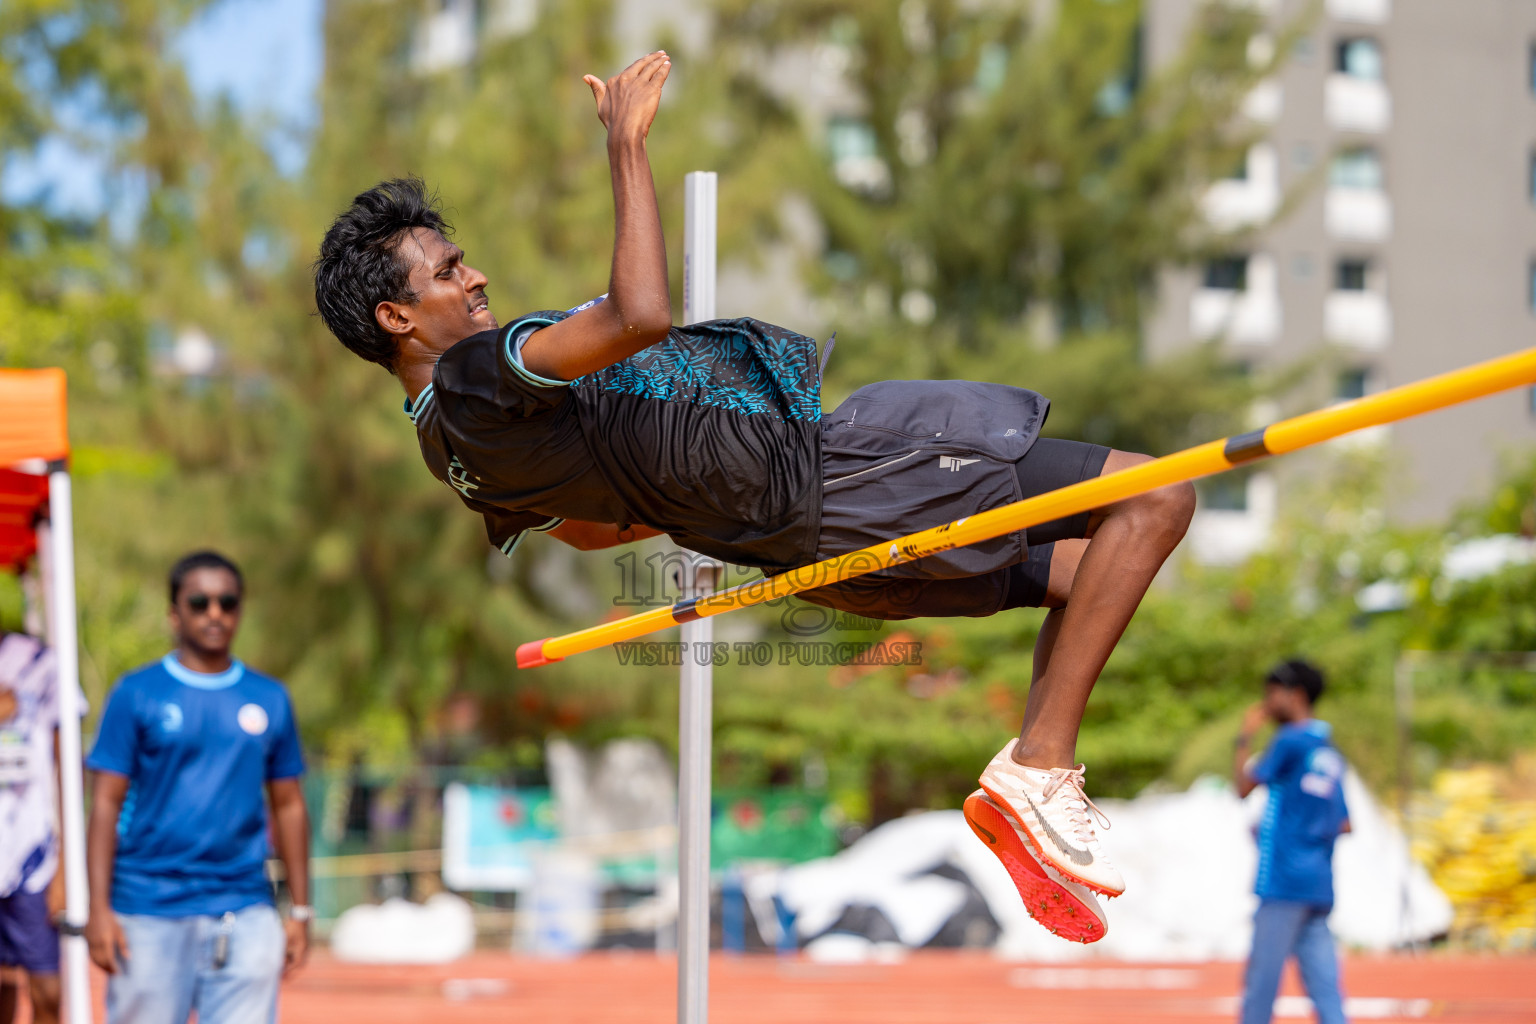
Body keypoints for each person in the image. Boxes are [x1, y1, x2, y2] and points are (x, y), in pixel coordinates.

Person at [311, 52, 1194, 940]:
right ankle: (1039, 764)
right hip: (849, 482)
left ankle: (1029, 791)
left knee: (1091, 577)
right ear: (396, 318)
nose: (475, 280)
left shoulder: (445, 446)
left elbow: (583, 532)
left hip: (805, 547)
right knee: (1157, 498)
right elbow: (639, 315)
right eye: (449, 271)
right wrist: (626, 145)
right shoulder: (474, 373)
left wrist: (701, 496)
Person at [84, 551, 312, 1024]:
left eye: (227, 603)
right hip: (147, 909)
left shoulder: (269, 698)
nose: (215, 613)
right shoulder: (136, 693)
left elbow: (288, 805)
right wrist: (99, 909)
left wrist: (301, 910)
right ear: (175, 613)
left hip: (245, 908)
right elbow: (105, 803)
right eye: (200, 602)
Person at [1233, 659, 1352, 1024]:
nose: (1267, 703)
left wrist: (1244, 736)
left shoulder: (1289, 740)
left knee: (1260, 988)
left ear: (1296, 695)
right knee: (1326, 991)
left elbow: (1243, 787)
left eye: (1273, 694)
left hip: (1282, 880)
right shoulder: (1327, 748)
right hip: (1318, 883)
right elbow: (1344, 823)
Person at [0, 630, 77, 1024]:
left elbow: (69, 765)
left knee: (47, 988)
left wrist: (65, 866)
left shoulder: (40, 664)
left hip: (32, 857)